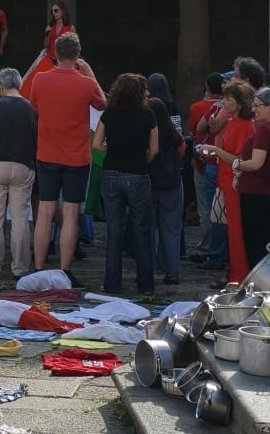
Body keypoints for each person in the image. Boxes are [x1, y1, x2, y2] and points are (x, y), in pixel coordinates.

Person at [26, 33, 106, 275]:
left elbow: (33, 106)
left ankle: (39, 267)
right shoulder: (86, 83)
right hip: (76, 157)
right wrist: (90, 73)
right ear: (78, 55)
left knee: (45, 211)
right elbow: (102, 104)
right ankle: (65, 270)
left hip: (47, 153)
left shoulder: (40, 80)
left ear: (56, 54)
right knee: (71, 213)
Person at [210, 85, 270, 279]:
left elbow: (256, 164)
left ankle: (258, 286)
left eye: (257, 105)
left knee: (256, 246)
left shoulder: (266, 130)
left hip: (256, 193)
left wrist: (237, 164)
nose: (253, 109)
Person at [92, 73, 157, 296]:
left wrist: (114, 149)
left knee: (113, 230)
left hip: (112, 172)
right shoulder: (148, 115)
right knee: (142, 230)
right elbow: (154, 149)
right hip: (138, 173)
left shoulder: (109, 114)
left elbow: (96, 144)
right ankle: (146, 284)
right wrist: (142, 159)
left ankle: (112, 283)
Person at [0, 67, 37, 278]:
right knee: (20, 218)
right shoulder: (31, 108)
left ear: (0, 86)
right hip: (23, 165)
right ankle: (20, 268)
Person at [145, 73, 185, 283]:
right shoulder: (174, 134)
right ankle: (172, 270)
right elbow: (181, 149)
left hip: (149, 180)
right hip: (171, 180)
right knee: (172, 229)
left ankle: (148, 270)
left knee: (147, 228)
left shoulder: (145, 128)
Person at [187, 72, 229, 270]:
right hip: (223, 161)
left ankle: (209, 248)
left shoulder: (204, 107)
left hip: (212, 160)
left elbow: (199, 128)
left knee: (209, 208)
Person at [43, 2, 75, 68]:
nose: (53, 13)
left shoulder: (70, 28)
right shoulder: (51, 27)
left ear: (63, 11)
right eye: (52, 11)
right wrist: (47, 34)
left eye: (56, 10)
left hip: (63, 61)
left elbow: (73, 48)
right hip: (50, 60)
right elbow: (46, 45)